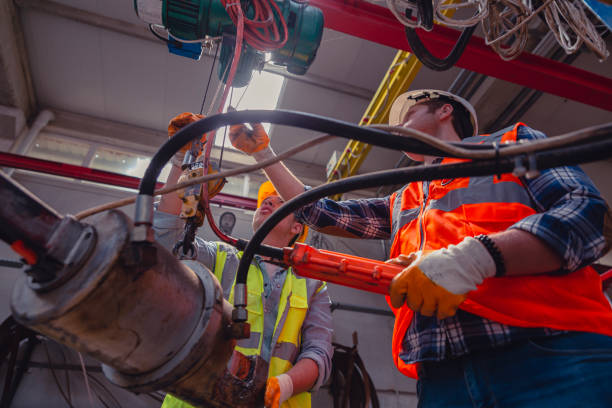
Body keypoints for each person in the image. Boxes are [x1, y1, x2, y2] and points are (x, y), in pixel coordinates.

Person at [228, 90, 612, 407]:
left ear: (445, 109)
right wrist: (264, 153)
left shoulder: (510, 145)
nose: (397, 126)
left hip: (553, 354)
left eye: (408, 114)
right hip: (443, 377)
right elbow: (321, 210)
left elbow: (586, 213)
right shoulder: (404, 197)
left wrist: (477, 257)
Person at [154, 113, 333, 408]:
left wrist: (282, 386)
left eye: (281, 201)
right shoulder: (221, 257)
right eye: (265, 199)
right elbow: (166, 240)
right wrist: (180, 159)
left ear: (297, 227)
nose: (268, 201)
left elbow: (319, 353)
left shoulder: (313, 284)